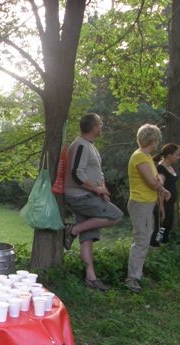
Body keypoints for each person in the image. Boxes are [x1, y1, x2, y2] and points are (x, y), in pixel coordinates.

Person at [63, 113, 123, 291]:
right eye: (100, 123)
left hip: (89, 194)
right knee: (116, 216)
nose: (102, 126)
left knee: (88, 236)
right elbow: (76, 173)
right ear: (94, 126)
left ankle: (91, 278)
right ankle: (72, 230)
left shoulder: (90, 146)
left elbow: (98, 174)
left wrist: (102, 189)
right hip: (79, 195)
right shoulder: (80, 145)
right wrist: (96, 189)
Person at [125, 124, 171, 293]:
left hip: (146, 204)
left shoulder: (146, 157)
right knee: (141, 241)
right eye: (157, 139)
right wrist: (160, 186)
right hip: (140, 204)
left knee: (143, 240)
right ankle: (132, 279)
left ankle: (137, 274)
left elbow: (155, 180)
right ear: (152, 139)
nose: (158, 142)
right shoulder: (140, 157)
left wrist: (162, 189)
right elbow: (152, 182)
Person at [150, 143, 180, 246]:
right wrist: (161, 208)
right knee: (160, 229)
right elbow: (159, 190)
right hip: (163, 205)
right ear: (169, 155)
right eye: (176, 154)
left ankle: (163, 247)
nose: (178, 157)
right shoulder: (160, 169)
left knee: (167, 227)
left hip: (170, 204)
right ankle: (155, 247)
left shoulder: (170, 166)